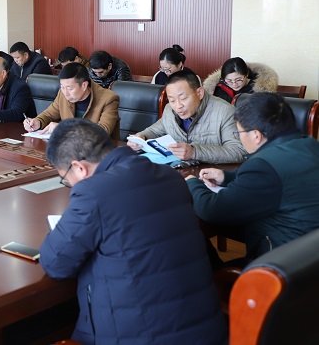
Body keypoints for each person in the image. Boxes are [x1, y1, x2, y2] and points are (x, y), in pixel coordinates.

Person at [40, 119, 226, 344]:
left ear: (79, 168)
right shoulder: (170, 176)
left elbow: (56, 263)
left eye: (66, 179)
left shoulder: (93, 192)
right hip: (207, 331)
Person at [186, 93, 319, 264]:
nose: (239, 137)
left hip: (282, 265)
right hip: (309, 255)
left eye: (239, 132)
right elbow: (280, 178)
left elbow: (212, 210)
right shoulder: (311, 145)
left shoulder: (262, 166)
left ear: (256, 135)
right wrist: (226, 177)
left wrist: (192, 183)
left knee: (193, 237)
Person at [128, 70, 246, 163]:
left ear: (199, 93)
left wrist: (194, 152)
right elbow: (155, 130)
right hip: (180, 171)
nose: (178, 106)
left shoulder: (225, 112)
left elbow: (239, 151)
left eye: (183, 98)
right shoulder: (170, 110)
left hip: (213, 176)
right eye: (172, 100)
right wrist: (141, 137)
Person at [24, 63, 120, 139]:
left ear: (84, 85)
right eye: (62, 87)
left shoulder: (108, 99)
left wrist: (64, 128)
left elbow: (103, 131)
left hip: (100, 151)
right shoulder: (62, 94)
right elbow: (49, 115)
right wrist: (38, 122)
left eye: (69, 88)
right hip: (70, 148)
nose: (66, 93)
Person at [203, 57, 278, 105]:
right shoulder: (219, 88)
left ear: (247, 74)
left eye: (238, 80)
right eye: (229, 81)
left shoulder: (256, 89)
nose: (234, 84)